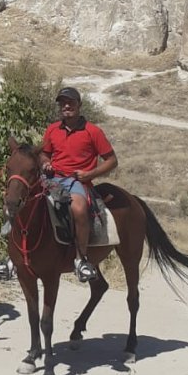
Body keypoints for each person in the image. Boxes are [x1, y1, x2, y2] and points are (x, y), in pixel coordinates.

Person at [39, 86, 117, 283]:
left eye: (71, 102)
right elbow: (44, 153)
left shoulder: (93, 132)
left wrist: (90, 173)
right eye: (63, 103)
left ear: (79, 105)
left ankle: (81, 259)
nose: (66, 106)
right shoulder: (52, 129)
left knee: (79, 208)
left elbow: (111, 160)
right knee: (22, 200)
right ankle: (15, 256)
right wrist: (45, 163)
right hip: (52, 178)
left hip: (76, 180)